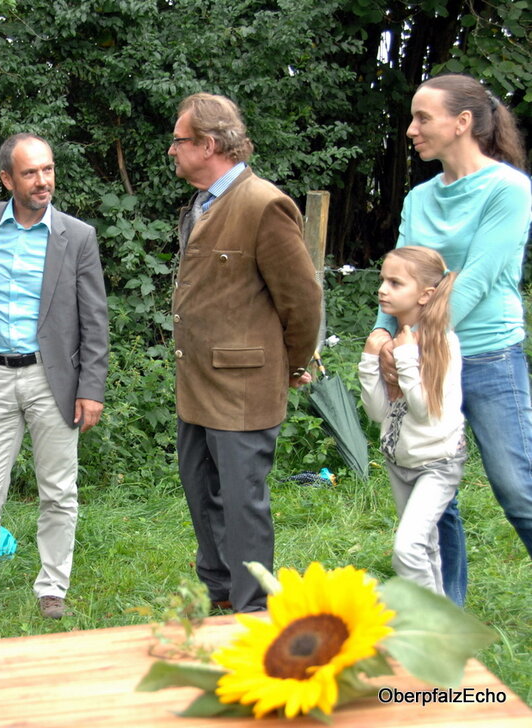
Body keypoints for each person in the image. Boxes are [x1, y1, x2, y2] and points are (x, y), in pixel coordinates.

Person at [371, 74, 532, 606]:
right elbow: (400, 276)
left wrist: (412, 340)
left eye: (423, 117)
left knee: (517, 488)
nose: (412, 129)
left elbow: (478, 279)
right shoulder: (420, 197)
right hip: (423, 359)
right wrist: (380, 332)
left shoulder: (508, 189)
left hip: (486, 355)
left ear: (462, 123)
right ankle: (447, 618)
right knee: (430, 486)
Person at [0, 133, 109, 620]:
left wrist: (91, 389)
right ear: (7, 179)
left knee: (59, 490)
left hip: (53, 382)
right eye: (31, 173)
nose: (43, 181)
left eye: (48, 170)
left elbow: (95, 320)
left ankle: (52, 585)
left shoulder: (76, 236)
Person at [168, 93, 322, 613]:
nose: (172, 150)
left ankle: (253, 609)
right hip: (196, 387)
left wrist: (294, 363)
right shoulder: (202, 204)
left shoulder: (263, 204)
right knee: (200, 493)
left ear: (208, 144)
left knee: (241, 504)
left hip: (243, 389)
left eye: (179, 140)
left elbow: (301, 300)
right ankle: (221, 596)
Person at [361, 247, 465, 594]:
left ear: (425, 295)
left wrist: (405, 357)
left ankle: (429, 625)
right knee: (426, 547)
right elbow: (378, 413)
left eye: (395, 283)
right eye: (382, 281)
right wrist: (369, 360)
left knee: (407, 551)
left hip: (436, 463)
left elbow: (424, 411)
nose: (383, 290)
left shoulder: (441, 344)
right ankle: (441, 626)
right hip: (400, 461)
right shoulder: (396, 342)